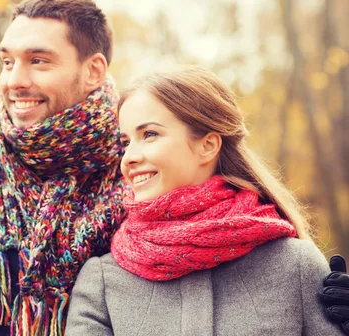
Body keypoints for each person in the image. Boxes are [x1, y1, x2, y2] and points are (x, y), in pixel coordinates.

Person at [0, 0, 349, 336]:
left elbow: (211, 255)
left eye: (38, 61)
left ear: (93, 70)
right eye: (8, 62)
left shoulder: (147, 185)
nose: (15, 80)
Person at [65, 66, 348, 335]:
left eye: (149, 134)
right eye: (126, 142)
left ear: (207, 145)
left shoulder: (295, 265)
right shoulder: (102, 282)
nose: (129, 157)